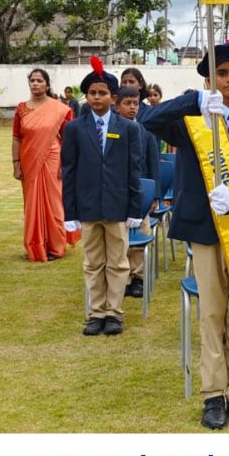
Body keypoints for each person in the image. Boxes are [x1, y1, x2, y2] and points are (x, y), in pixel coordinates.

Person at [142, 36, 229, 430]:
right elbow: (147, 120)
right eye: (221, 73)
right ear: (209, 79)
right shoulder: (193, 121)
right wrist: (193, 101)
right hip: (204, 230)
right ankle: (213, 394)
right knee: (212, 312)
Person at [61, 56, 142, 337]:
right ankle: (96, 312)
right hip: (88, 207)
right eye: (92, 93)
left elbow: (134, 170)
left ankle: (114, 313)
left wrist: (135, 208)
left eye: (103, 93)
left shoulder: (129, 128)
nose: (97, 97)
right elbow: (69, 172)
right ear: (86, 96)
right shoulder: (74, 128)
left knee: (118, 263)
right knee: (93, 262)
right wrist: (70, 212)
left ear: (113, 97)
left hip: (117, 206)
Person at [12, 69, 79, 263]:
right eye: (32, 80)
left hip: (53, 158)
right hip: (28, 159)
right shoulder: (21, 109)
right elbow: (16, 138)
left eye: (39, 80)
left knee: (55, 203)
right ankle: (36, 245)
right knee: (31, 204)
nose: (35, 84)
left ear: (47, 85)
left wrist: (65, 164)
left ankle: (56, 247)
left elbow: (68, 138)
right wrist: (16, 164)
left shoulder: (60, 109)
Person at [114, 86, 160, 299]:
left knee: (141, 233)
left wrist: (155, 195)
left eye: (136, 104)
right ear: (117, 106)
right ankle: (123, 278)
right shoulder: (111, 130)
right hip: (116, 193)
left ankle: (139, 277)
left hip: (141, 194)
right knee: (119, 238)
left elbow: (153, 164)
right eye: (127, 103)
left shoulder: (146, 132)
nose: (132, 107)